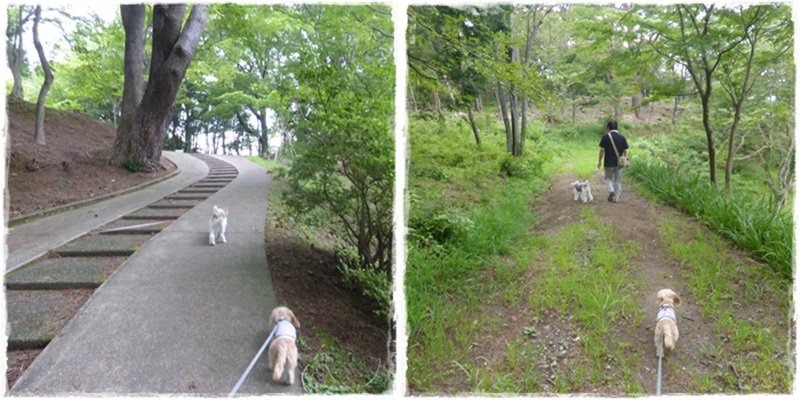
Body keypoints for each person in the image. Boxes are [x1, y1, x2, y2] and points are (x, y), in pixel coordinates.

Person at [597, 120, 628, 203]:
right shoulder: (622, 137)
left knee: (608, 178)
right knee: (618, 181)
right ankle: (616, 199)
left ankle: (610, 190)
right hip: (619, 163)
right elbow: (625, 151)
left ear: (608, 128)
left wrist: (599, 161)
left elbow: (602, 150)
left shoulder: (605, 137)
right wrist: (626, 160)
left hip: (608, 162)